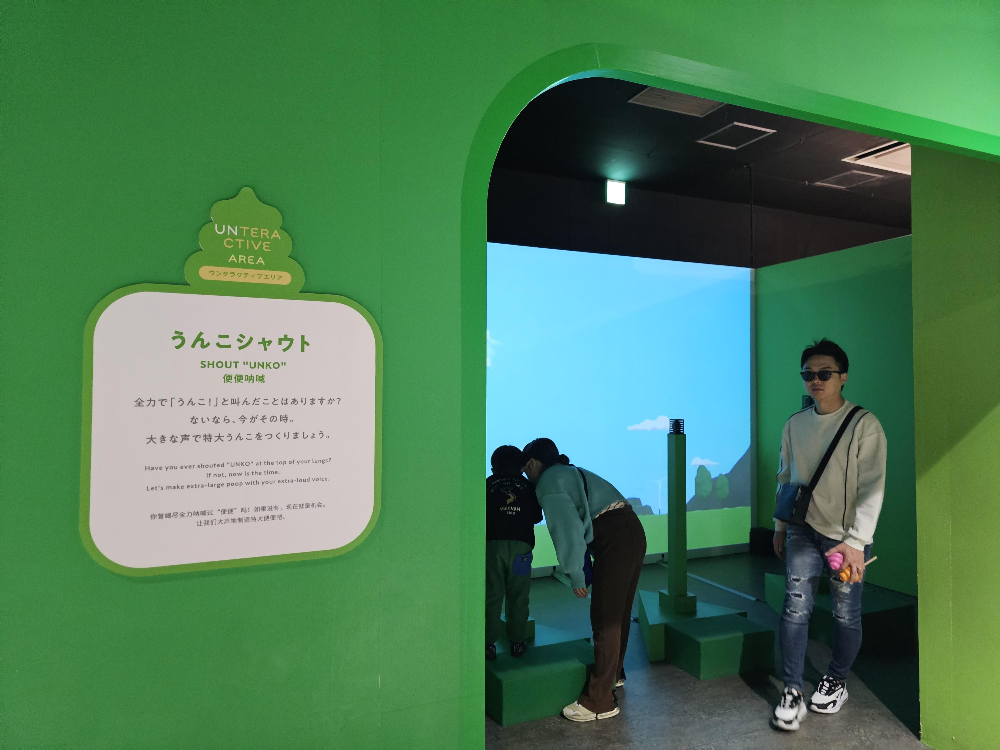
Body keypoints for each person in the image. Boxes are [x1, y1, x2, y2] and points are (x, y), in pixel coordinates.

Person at [770, 339, 887, 731]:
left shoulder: (864, 424)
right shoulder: (795, 424)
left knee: (845, 612)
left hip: (845, 540)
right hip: (803, 530)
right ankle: (791, 689)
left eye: (824, 373)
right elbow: (785, 477)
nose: (815, 380)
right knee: (794, 607)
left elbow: (873, 487)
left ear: (843, 376)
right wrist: (780, 526)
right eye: (808, 374)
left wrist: (857, 542)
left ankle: (836, 679)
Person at [522, 438, 647, 723]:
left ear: (532, 463)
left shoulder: (549, 482)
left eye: (526, 469)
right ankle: (613, 675)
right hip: (632, 529)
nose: (526, 476)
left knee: (604, 617)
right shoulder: (570, 471)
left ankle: (598, 701)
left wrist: (576, 573)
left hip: (613, 538)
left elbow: (567, 532)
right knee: (618, 613)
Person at [486, 445, 543, 661]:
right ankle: (518, 642)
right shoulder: (528, 486)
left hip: (492, 547)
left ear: (494, 467)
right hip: (521, 548)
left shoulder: (488, 484)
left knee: (492, 595)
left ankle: (488, 644)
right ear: (521, 466)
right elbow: (536, 517)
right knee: (519, 595)